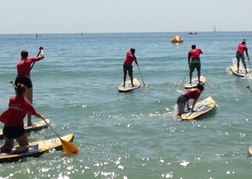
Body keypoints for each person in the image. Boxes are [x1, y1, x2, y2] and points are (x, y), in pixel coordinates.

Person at [0, 83, 46, 154]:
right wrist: (42, 117)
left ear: (16, 92)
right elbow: (35, 113)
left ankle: (3, 149)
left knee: (9, 145)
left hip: (7, 128)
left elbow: (16, 103)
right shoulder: (26, 104)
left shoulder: (11, 100)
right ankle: (15, 151)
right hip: (17, 128)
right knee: (25, 146)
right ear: (24, 92)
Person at [15, 47, 44, 126]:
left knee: (19, 101)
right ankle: (29, 122)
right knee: (29, 102)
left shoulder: (18, 62)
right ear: (27, 56)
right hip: (26, 80)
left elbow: (22, 70)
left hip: (17, 80)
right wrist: (41, 50)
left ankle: (18, 122)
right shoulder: (29, 59)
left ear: (21, 56)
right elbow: (42, 57)